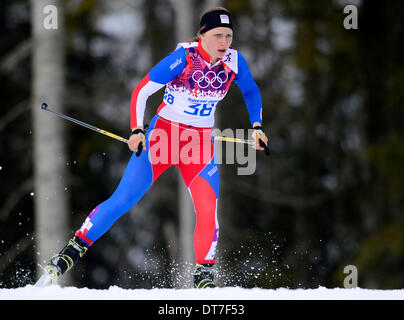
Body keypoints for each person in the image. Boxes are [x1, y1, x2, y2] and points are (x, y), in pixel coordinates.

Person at [37, 7, 268, 289]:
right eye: (218, 35)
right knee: (124, 200)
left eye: (229, 36)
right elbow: (142, 90)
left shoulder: (234, 61)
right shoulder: (183, 59)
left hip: (198, 144)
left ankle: (204, 279)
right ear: (202, 35)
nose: (224, 43)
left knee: (208, 209)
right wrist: (137, 129)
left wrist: (256, 126)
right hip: (163, 138)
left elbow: (251, 90)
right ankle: (73, 249)